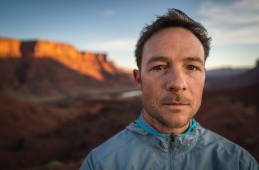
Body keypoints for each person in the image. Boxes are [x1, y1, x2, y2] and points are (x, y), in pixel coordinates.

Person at [80, 9, 258, 170]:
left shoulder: (239, 163)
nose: (177, 83)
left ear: (204, 76)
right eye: (159, 67)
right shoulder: (100, 164)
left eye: (191, 67)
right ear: (138, 79)